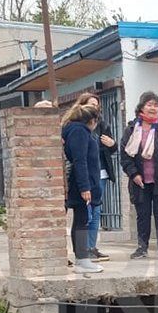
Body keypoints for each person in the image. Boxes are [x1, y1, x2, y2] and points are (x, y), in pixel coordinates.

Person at [120, 91, 158, 260]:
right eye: (149, 104)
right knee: (143, 215)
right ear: (141, 107)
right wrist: (133, 174)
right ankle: (142, 247)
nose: (153, 108)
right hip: (140, 181)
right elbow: (125, 155)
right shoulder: (132, 128)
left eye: (155, 105)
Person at [61, 103, 104, 274]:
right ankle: (82, 259)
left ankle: (82, 258)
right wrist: (85, 187)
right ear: (92, 120)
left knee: (82, 219)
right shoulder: (79, 132)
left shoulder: (75, 130)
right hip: (82, 184)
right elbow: (80, 161)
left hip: (84, 182)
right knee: (82, 220)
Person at [75, 92, 117, 262]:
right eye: (91, 104)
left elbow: (111, 149)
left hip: (101, 172)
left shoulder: (102, 124)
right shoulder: (77, 126)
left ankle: (92, 247)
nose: (95, 107)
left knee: (96, 211)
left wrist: (112, 145)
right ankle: (83, 249)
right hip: (86, 174)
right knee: (86, 212)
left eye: (96, 105)